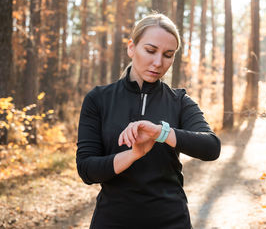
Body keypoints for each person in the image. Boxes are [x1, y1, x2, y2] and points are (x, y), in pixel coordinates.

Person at [76, 13, 221, 229]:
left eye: (168, 54)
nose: (158, 62)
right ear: (131, 48)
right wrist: (134, 154)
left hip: (171, 221)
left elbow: (211, 147)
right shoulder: (99, 99)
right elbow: (87, 169)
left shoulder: (179, 101)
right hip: (112, 221)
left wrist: (161, 133)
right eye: (150, 51)